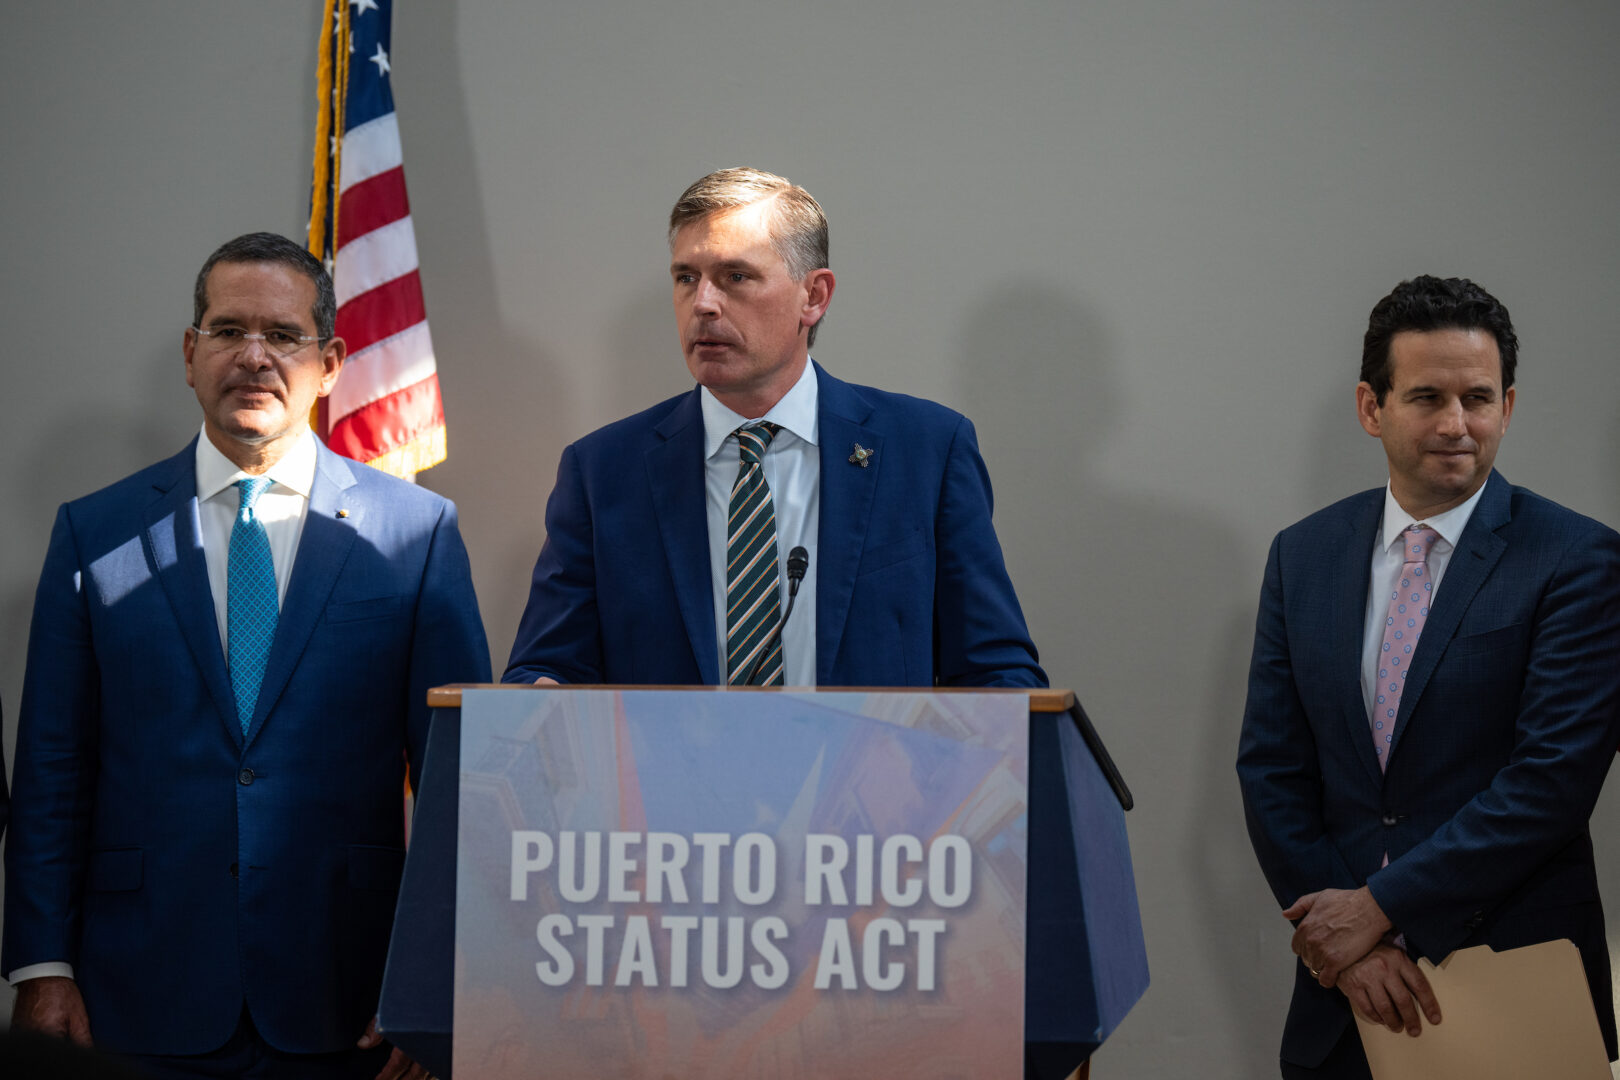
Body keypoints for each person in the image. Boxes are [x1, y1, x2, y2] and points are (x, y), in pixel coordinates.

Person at [3, 233, 491, 1078]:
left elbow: (459, 777)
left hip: (348, 996)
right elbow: (52, 766)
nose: (254, 356)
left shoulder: (416, 534)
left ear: (332, 362)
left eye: (283, 335)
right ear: (191, 355)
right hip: (136, 994)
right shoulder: (94, 531)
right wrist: (42, 966)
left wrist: (432, 979)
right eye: (228, 331)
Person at [1236, 275, 1620, 1077]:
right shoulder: (1301, 555)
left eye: (1479, 398)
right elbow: (1272, 767)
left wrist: (1380, 909)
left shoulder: (1579, 559)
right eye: (1426, 397)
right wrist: (1347, 949)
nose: (1457, 424)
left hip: (1508, 980)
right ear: (1372, 408)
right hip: (1342, 999)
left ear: (1507, 407)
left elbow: (1551, 781)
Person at [504, 167, 1044, 689]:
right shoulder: (602, 471)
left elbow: (994, 669)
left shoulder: (926, 451)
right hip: (670, 782)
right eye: (686, 278)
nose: (704, 304)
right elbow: (549, 666)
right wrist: (542, 693)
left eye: (736, 277)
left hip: (871, 781)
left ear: (814, 296)